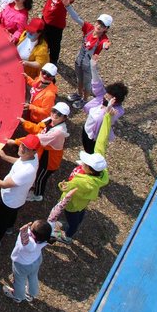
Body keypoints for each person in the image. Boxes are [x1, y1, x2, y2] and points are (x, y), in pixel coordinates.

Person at [56, 101, 114, 241]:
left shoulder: (84, 182)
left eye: (85, 163)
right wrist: (107, 116)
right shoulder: (99, 166)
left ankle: (68, 236)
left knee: (73, 218)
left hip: (72, 204)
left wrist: (62, 186)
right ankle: (73, 226)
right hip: (81, 202)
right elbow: (101, 141)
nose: (82, 163)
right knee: (80, 213)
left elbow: (68, 187)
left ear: (90, 169)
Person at [0, 133, 40, 247]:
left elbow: (4, 184)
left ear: (34, 151)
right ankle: (9, 227)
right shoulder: (33, 157)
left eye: (27, 148)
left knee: (1, 221)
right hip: (18, 200)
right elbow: (19, 161)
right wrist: (5, 157)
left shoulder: (26, 171)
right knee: (11, 215)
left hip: (10, 200)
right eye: (22, 145)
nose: (22, 149)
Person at [14, 102, 70, 202]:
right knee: (39, 173)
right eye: (54, 111)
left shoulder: (58, 132)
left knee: (41, 178)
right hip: (44, 153)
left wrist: (16, 142)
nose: (55, 114)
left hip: (49, 160)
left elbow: (37, 139)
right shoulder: (50, 120)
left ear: (65, 118)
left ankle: (38, 195)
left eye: (59, 114)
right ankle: (35, 186)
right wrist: (25, 122)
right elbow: (38, 129)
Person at [64, 4, 112, 108]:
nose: (99, 26)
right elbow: (76, 18)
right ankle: (79, 94)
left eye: (103, 26)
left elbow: (105, 44)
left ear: (106, 29)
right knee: (79, 79)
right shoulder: (89, 28)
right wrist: (67, 6)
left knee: (87, 84)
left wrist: (106, 46)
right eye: (99, 23)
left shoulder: (103, 39)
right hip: (79, 60)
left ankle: (85, 100)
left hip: (88, 65)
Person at [81, 56, 127, 153]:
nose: (105, 97)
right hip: (87, 128)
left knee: (91, 151)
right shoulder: (102, 96)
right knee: (85, 145)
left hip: (95, 136)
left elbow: (109, 115)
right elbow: (96, 83)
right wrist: (93, 67)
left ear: (115, 101)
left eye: (108, 97)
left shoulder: (117, 111)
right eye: (106, 94)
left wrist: (109, 107)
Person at [3, 220, 53, 303]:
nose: (29, 227)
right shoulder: (46, 238)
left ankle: (18, 296)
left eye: (31, 227)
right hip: (36, 260)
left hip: (22, 265)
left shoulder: (29, 244)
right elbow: (52, 220)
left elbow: (25, 240)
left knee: (19, 281)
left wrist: (23, 231)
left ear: (33, 235)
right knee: (33, 276)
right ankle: (31, 294)